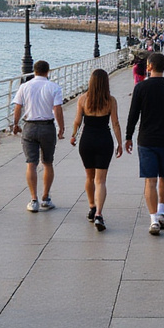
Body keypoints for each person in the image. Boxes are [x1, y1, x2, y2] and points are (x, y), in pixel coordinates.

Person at [125, 51, 164, 235]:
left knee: (150, 180)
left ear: (149, 66)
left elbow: (133, 115)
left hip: (146, 139)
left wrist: (128, 136)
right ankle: (162, 212)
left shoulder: (141, 88)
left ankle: (153, 220)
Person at [70, 68, 122, 230]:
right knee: (101, 180)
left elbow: (77, 121)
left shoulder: (83, 99)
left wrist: (73, 135)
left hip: (87, 141)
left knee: (89, 177)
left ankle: (92, 206)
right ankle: (99, 213)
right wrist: (120, 143)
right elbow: (115, 123)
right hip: (104, 141)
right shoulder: (110, 101)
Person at [12, 60, 65, 213]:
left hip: (29, 126)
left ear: (34, 71)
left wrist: (15, 124)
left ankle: (33, 199)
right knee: (47, 163)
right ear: (47, 71)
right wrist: (61, 127)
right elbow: (57, 109)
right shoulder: (54, 87)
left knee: (31, 164)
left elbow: (18, 107)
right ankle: (46, 198)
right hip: (47, 127)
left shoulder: (24, 86)